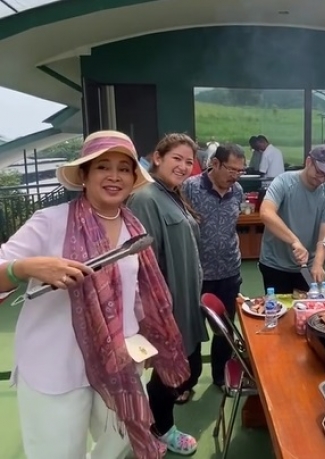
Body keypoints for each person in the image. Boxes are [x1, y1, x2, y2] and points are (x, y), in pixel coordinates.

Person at [0, 130, 189, 459]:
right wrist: (26, 268)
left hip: (118, 364)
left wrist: (140, 347)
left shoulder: (135, 230)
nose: (114, 176)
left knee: (119, 441)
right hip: (55, 368)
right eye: (102, 167)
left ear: (133, 177)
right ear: (84, 175)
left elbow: (136, 299)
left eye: (123, 168)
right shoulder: (50, 221)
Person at [127, 133, 207, 455]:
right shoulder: (146, 199)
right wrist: (155, 315)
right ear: (157, 157)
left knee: (187, 369)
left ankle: (154, 419)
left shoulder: (172, 194)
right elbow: (143, 264)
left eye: (189, 161)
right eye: (177, 158)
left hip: (184, 298)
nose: (184, 166)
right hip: (165, 306)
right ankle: (161, 428)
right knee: (169, 373)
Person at [183, 144, 245, 388]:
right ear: (215, 163)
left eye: (240, 171)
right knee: (192, 331)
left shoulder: (237, 190)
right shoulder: (190, 187)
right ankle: (188, 382)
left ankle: (221, 376)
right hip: (197, 274)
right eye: (232, 169)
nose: (235, 176)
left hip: (229, 272)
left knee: (225, 329)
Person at [259, 144, 325, 293]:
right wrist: (294, 241)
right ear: (308, 162)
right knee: (278, 311)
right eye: (320, 172)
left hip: (307, 266)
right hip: (275, 263)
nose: (322, 179)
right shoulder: (283, 182)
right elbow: (266, 213)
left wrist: (318, 262)